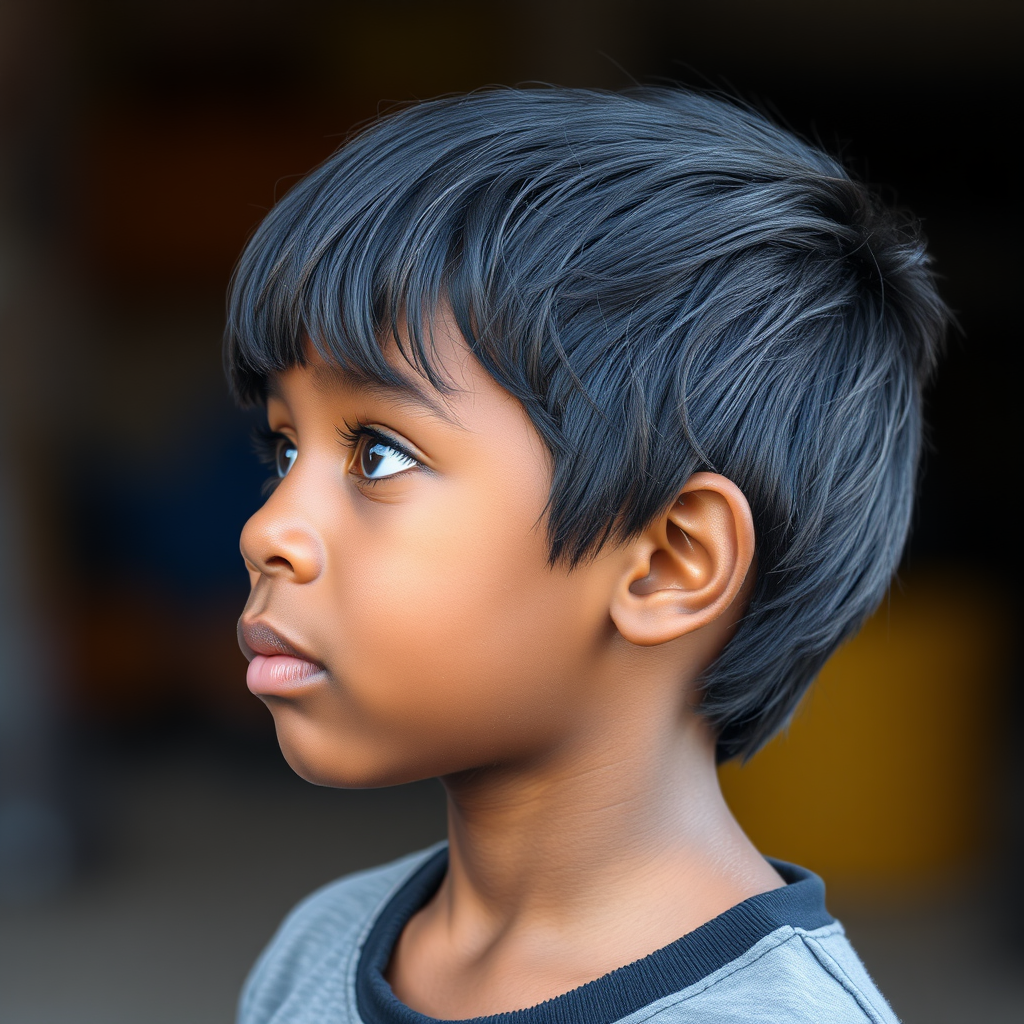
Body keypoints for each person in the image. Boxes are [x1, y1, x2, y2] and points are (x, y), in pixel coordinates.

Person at [226, 86, 945, 1023]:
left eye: (378, 454)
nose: (267, 530)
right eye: (286, 449)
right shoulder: (320, 947)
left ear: (668, 562)